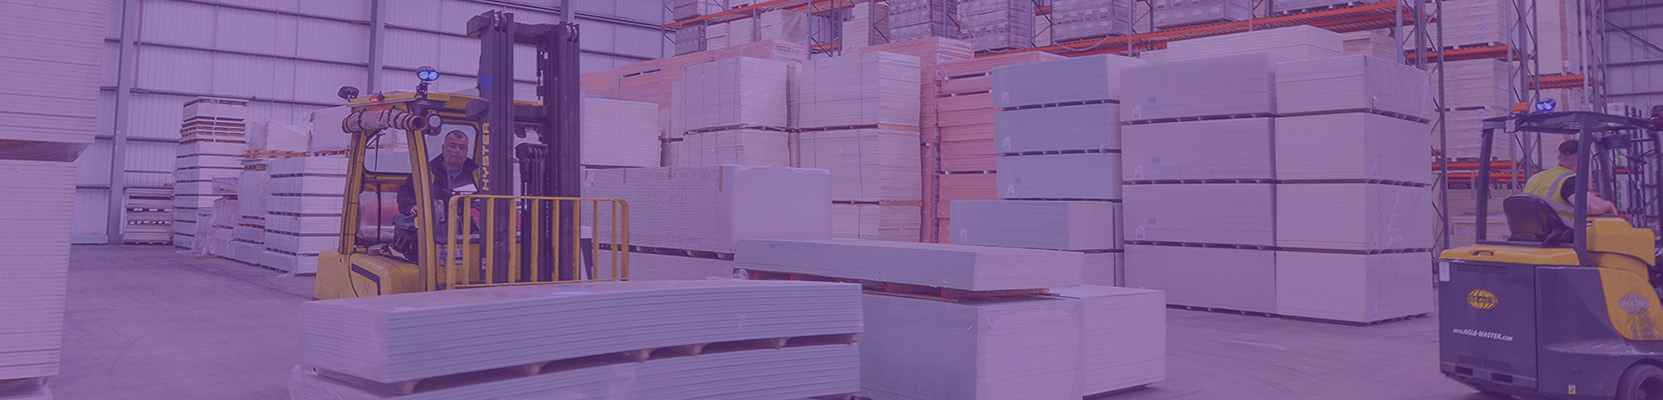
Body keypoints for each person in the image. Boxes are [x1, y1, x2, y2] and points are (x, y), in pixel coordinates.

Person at [389, 130, 479, 261]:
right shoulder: (427, 171)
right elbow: (406, 192)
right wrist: (411, 207)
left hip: (468, 234)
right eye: (452, 146)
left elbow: (490, 196)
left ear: (467, 150)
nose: (457, 150)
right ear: (443, 148)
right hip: (432, 233)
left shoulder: (478, 173)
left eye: (462, 147)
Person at [1522, 140, 1617, 221]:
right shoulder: (1570, 179)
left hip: (1531, 234)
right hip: (1560, 236)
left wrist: (1589, 196)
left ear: (1559, 158)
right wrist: (1608, 205)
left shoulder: (1535, 178)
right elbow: (1589, 207)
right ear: (1583, 159)